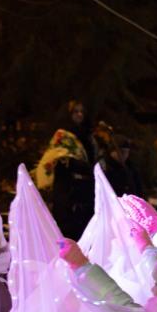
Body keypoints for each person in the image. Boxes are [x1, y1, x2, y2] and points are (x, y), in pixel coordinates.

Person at [36, 100, 96, 239]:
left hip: (87, 192)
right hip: (68, 193)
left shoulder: (89, 136)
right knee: (69, 235)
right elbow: (61, 158)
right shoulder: (63, 136)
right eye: (76, 111)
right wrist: (86, 168)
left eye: (82, 111)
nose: (80, 115)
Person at [101, 133, 144, 198]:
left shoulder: (130, 168)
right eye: (121, 152)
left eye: (127, 152)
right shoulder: (104, 167)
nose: (124, 155)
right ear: (112, 152)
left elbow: (138, 189)